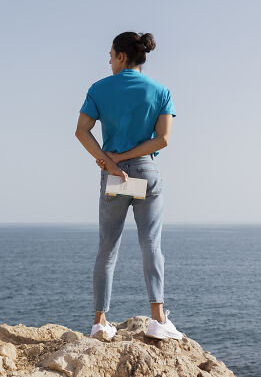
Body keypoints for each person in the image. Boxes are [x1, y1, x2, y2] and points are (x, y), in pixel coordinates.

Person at [74, 31, 183, 341]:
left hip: (116, 176)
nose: (108, 59)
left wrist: (110, 161)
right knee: (151, 245)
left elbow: (81, 131)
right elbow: (163, 139)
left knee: (107, 249)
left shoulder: (99, 89)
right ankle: (158, 319)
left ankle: (99, 323)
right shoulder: (161, 91)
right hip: (146, 173)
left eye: (111, 54)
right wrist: (126, 156)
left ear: (122, 56)